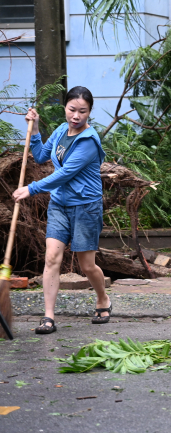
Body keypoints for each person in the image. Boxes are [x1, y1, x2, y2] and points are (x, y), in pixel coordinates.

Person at [13, 86, 110, 334]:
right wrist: (34, 128)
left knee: (86, 265)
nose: (76, 116)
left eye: (82, 111)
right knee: (52, 258)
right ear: (65, 108)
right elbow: (40, 156)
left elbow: (65, 173)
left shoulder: (88, 141)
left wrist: (31, 189)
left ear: (89, 112)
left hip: (85, 206)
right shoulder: (60, 130)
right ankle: (48, 317)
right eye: (72, 110)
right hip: (60, 205)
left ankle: (103, 299)